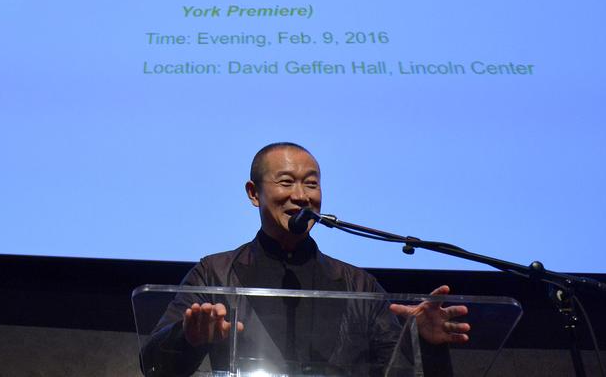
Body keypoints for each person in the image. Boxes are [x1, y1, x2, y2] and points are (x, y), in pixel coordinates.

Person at [141, 142, 470, 376]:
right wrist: (188, 337)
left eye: (311, 184)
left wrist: (423, 343)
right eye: (286, 182)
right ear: (254, 193)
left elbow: (395, 370)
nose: (301, 195)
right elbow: (153, 366)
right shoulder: (214, 273)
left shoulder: (358, 285)